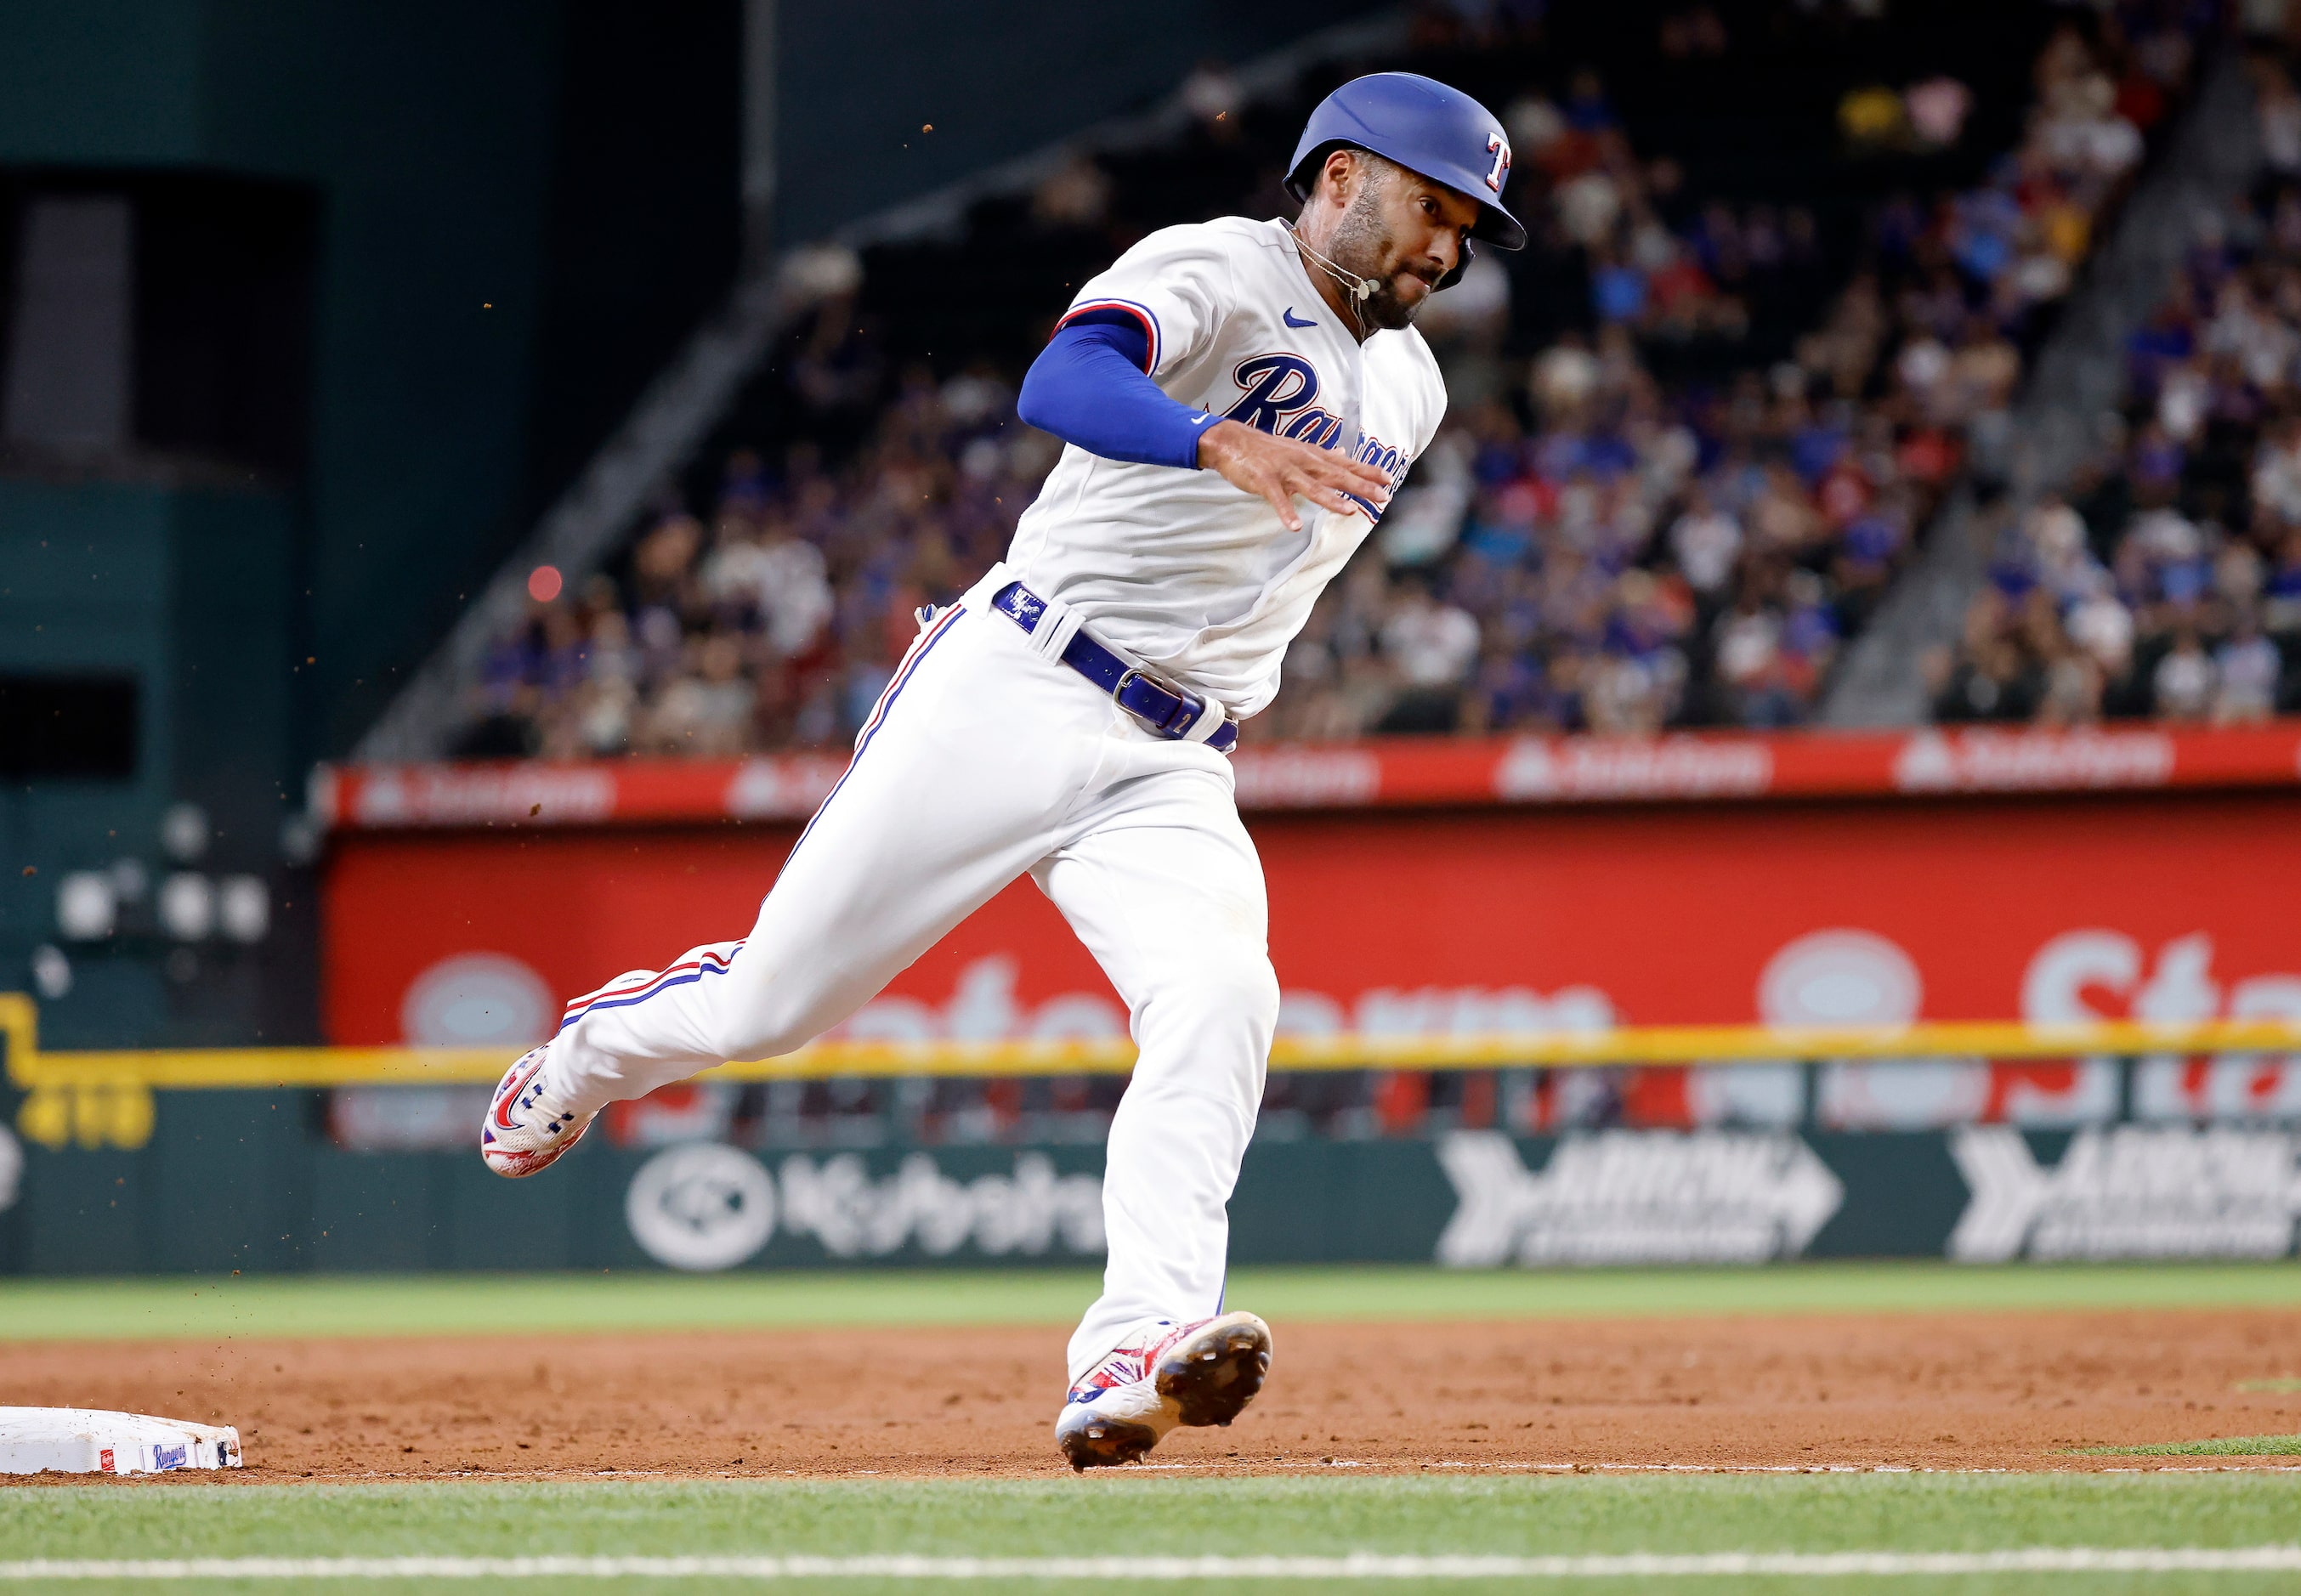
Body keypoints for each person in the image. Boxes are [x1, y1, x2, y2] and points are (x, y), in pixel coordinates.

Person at [479, 71, 1523, 1470]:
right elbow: (1065, 376)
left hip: (1173, 755)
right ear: (1338, 176)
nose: (1447, 247)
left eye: (1467, 227)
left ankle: (1133, 1350)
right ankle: (595, 1049)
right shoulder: (1218, 265)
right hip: (1019, 681)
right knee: (769, 1012)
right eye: (1430, 206)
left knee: (1220, 997)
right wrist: (1209, 431)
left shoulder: (1412, 383)